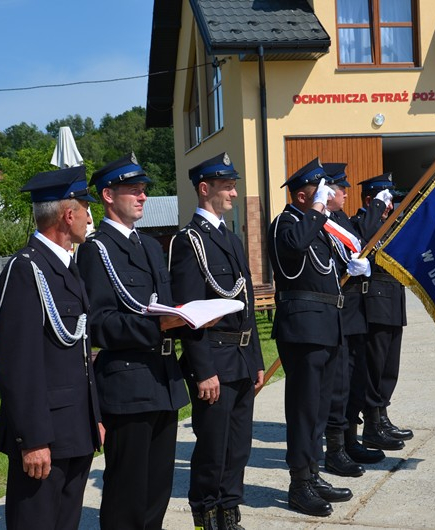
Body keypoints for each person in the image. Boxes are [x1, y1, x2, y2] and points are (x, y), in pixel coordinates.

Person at [75, 153, 190, 530]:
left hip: (163, 380)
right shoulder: (97, 250)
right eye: (133, 190)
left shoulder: (151, 246)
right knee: (127, 492)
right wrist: (156, 327)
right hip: (128, 383)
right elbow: (98, 324)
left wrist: (191, 318)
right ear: (108, 195)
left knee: (158, 489)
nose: (142, 196)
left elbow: (164, 305)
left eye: (143, 190)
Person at [0, 165, 102, 530]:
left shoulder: (66, 267)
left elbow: (79, 353)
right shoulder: (25, 269)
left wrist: (94, 418)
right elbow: (17, 364)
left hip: (75, 430)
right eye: (85, 209)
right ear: (68, 215)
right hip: (45, 437)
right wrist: (33, 439)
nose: (90, 217)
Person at [267, 158, 369, 517]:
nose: (326, 196)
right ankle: (299, 484)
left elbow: (326, 269)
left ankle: (312, 473)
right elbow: (295, 246)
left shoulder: (317, 225)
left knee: (321, 408)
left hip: (327, 323)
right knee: (304, 409)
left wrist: (354, 267)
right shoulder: (286, 223)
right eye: (319, 191)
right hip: (303, 327)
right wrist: (317, 211)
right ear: (301, 196)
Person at [168, 152, 265, 530]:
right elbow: (189, 313)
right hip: (215, 359)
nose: (234, 194)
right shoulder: (189, 241)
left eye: (234, 186)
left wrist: (256, 359)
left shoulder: (230, 238)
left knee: (239, 446)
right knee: (213, 447)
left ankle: (230, 511)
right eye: (227, 187)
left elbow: (246, 304)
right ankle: (206, 516)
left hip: (240, 358)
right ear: (205, 189)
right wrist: (202, 369)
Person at [319, 163, 386, 477]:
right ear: (328, 192)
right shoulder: (322, 222)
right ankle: (336, 450)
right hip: (340, 315)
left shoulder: (341, 219)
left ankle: (351, 440)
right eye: (341, 188)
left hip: (356, 313)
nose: (346, 193)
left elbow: (358, 242)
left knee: (356, 382)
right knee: (340, 386)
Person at [351, 173, 414, 450]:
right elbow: (364, 237)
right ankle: (372, 424)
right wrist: (376, 209)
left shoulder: (389, 226)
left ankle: (382, 416)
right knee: (374, 367)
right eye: (385, 200)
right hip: (374, 305)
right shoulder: (360, 223)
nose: (390, 206)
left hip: (393, 301)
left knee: (389, 367)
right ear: (370, 200)